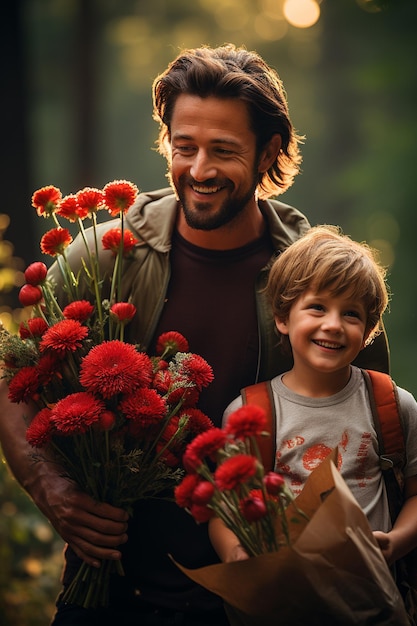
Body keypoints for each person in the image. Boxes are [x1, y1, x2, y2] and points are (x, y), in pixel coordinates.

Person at [0, 45, 389, 626]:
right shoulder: (104, 257)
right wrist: (49, 486)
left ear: (269, 153)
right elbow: (13, 379)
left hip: (269, 605)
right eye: (185, 148)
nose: (200, 169)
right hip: (112, 596)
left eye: (223, 151)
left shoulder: (318, 277)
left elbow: (378, 421)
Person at [210, 225, 417, 578]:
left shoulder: (393, 406)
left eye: (351, 314)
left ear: (368, 332)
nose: (333, 325)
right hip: (285, 597)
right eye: (317, 307)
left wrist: (396, 542)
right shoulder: (248, 414)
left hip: (374, 599)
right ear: (282, 318)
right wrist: (234, 552)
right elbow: (222, 512)